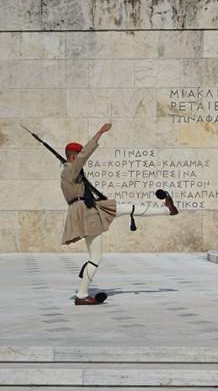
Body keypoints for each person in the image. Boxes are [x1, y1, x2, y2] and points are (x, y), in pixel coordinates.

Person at [62, 123, 178, 306]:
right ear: (74, 156)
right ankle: (82, 294)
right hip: (86, 213)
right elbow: (85, 156)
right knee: (95, 257)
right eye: (78, 156)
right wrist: (99, 132)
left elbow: (81, 192)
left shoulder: (70, 172)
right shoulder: (70, 170)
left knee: (124, 208)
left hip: (89, 208)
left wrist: (99, 198)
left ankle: (166, 210)